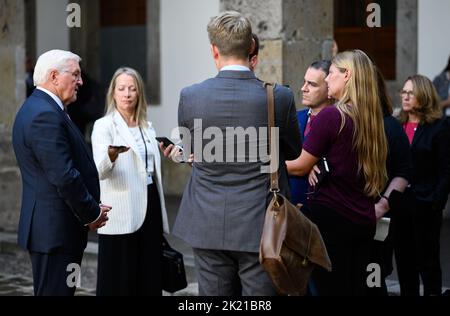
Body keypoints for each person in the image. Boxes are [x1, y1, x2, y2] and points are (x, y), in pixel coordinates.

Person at [170, 11, 301, 296]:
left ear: (214, 50)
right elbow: (292, 151)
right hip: (260, 224)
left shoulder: (190, 96)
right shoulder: (279, 97)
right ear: (251, 47)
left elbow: (191, 149)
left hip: (206, 221)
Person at [286, 49, 388, 296]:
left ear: (347, 75)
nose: (328, 78)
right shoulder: (371, 119)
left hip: (330, 221)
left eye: (331, 73)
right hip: (363, 220)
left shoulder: (333, 115)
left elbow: (299, 165)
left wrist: (264, 165)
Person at [12, 49, 110, 296]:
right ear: (54, 76)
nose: (81, 81)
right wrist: (92, 213)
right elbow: (64, 175)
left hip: (58, 231)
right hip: (55, 233)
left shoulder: (44, 108)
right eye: (75, 75)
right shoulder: (44, 115)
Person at [91, 67, 170, 296]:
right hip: (121, 209)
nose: (127, 94)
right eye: (122, 88)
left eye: (132, 89)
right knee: (119, 279)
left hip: (150, 203)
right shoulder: (103, 126)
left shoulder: (147, 127)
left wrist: (174, 152)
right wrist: (112, 155)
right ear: (113, 93)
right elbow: (100, 171)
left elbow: (152, 167)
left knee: (149, 274)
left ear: (139, 94)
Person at [395, 74, 450, 296]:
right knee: (404, 263)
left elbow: (446, 170)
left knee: (428, 263)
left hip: (426, 206)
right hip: (400, 206)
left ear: (423, 96)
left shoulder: (439, 126)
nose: (405, 97)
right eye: (404, 92)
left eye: (411, 93)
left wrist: (436, 201)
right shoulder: (398, 125)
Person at [367, 67, 412, 296]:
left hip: (376, 220)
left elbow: (404, 172)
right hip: (346, 223)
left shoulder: (390, 127)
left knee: (373, 280)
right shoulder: (342, 120)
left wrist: (382, 205)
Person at [288, 60, 332, 208]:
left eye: (312, 84)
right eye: (304, 82)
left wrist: (306, 164)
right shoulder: (294, 117)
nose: (303, 88)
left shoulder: (338, 122)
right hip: (291, 206)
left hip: (322, 209)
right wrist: (308, 163)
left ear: (329, 89)